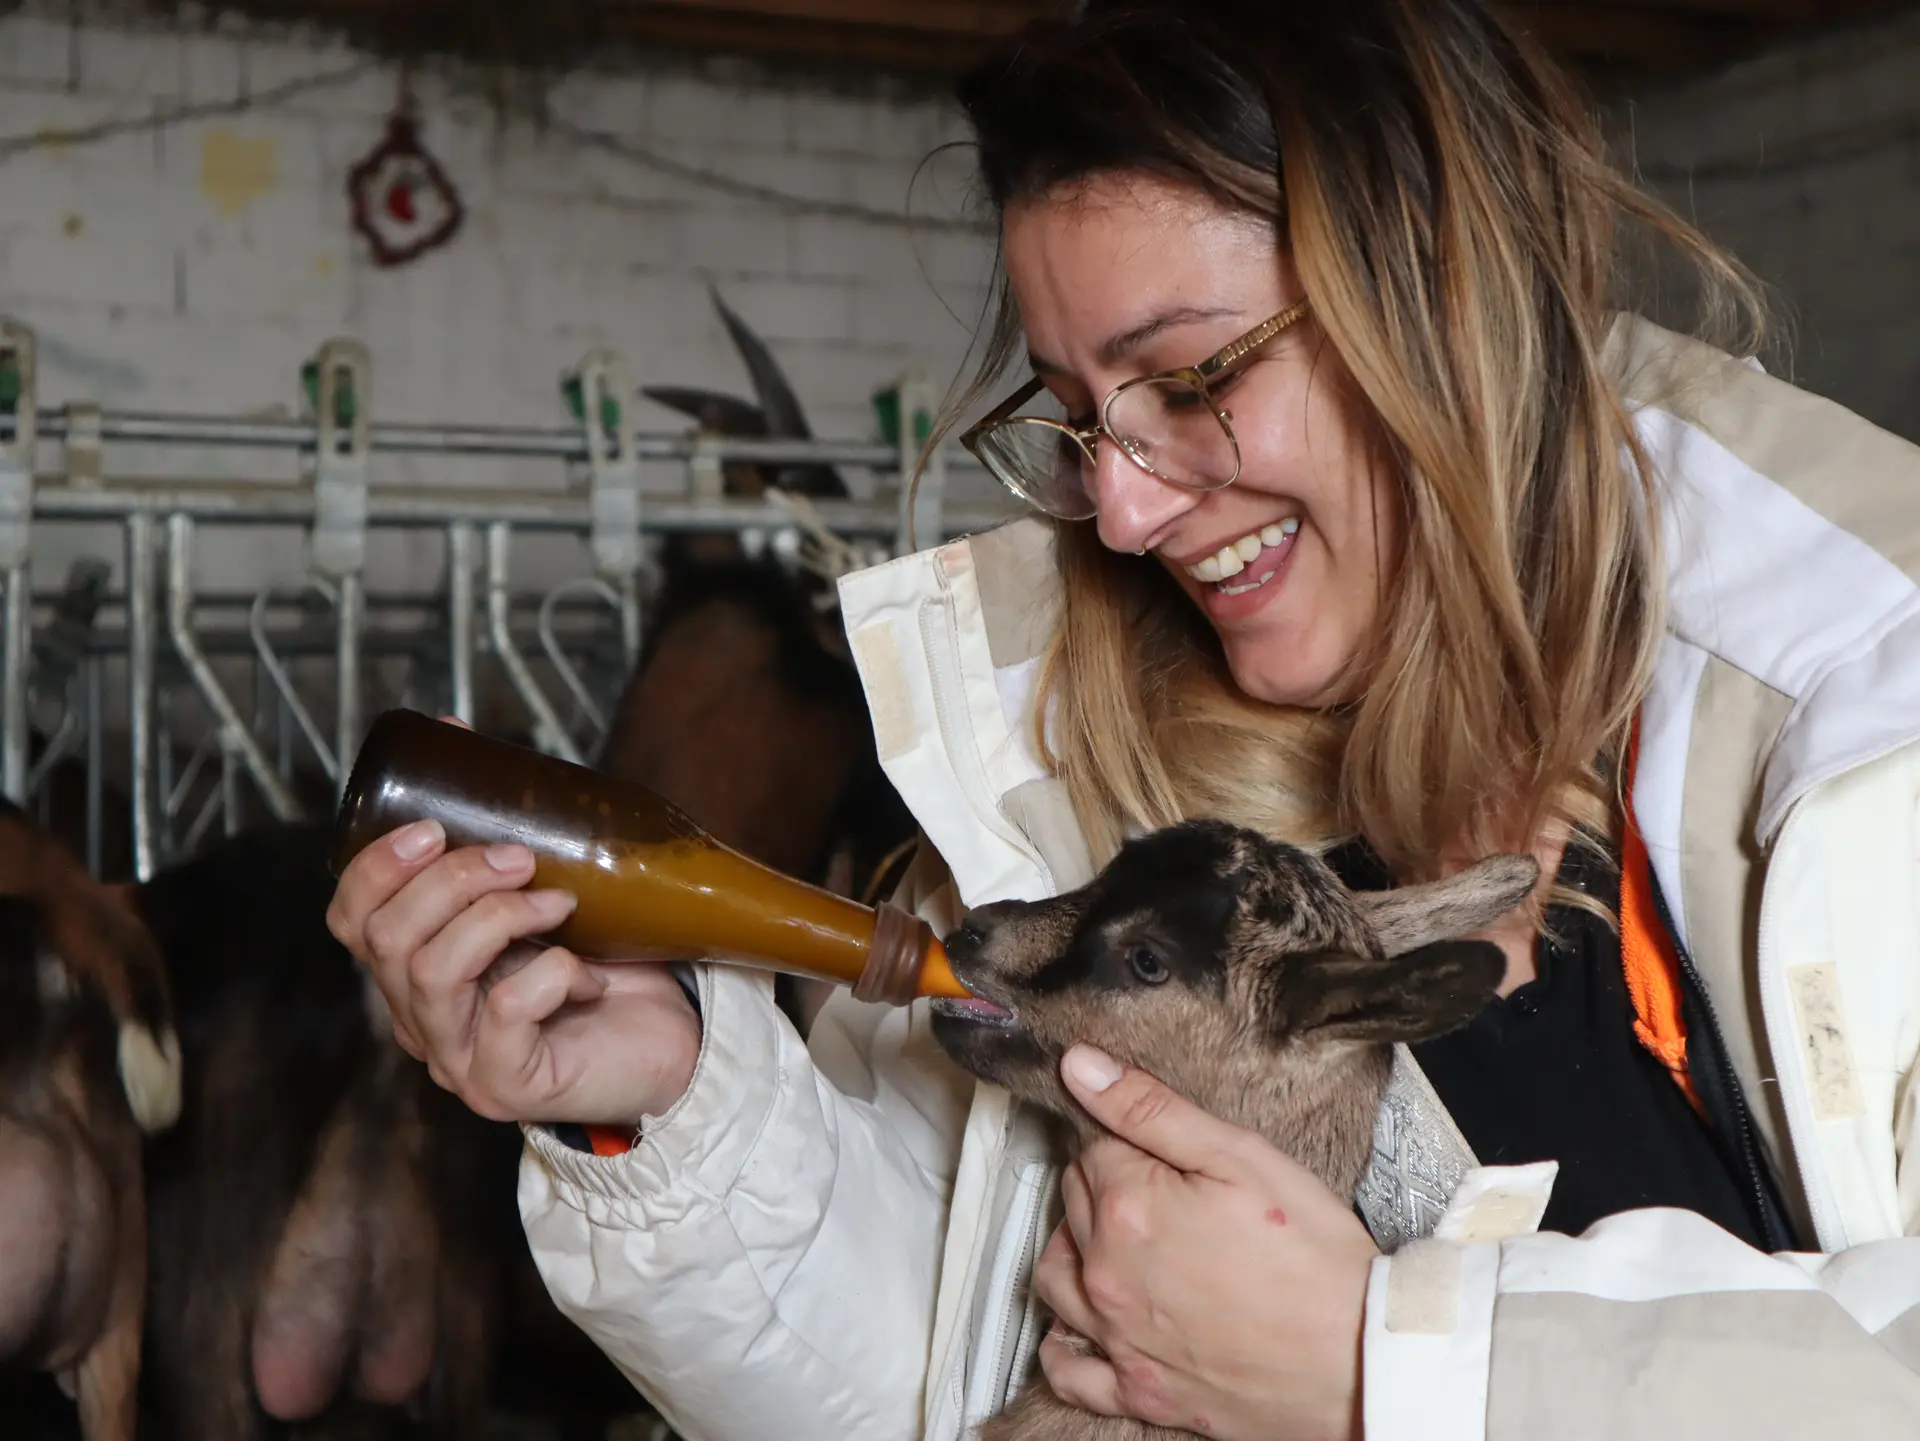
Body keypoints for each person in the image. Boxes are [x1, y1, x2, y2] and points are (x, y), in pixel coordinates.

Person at [327, 2, 1920, 1437]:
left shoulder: (1863, 719)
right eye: (1079, 416)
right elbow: (935, 1376)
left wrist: (1386, 1366)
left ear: (1446, 295)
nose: (1125, 509)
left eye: (1195, 377)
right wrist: (668, 1103)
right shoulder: (1060, 770)